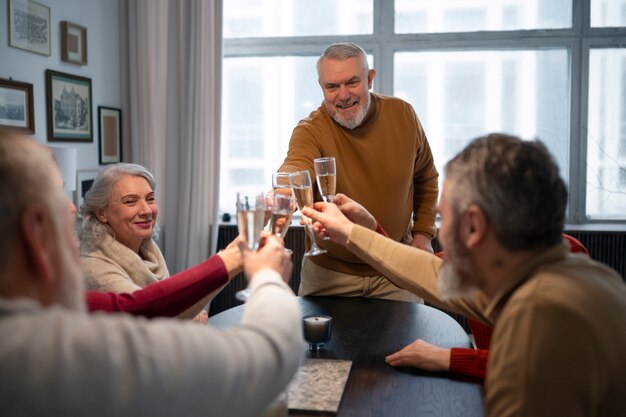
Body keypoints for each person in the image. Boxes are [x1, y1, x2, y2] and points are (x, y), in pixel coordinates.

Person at [302, 133, 626, 416]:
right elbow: (428, 272)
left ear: (473, 226)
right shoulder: (576, 277)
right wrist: (361, 230)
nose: (440, 232)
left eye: (443, 217)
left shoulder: (537, 318)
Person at [0, 129, 301, 417]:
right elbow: (264, 361)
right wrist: (268, 279)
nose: (71, 209)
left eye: (149, 198)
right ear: (35, 233)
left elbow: (135, 307)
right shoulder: (54, 353)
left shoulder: (145, 252)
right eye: (58, 198)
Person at [278, 42, 439, 302]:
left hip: (396, 267)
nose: (343, 95)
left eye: (352, 82)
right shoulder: (309, 129)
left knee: (408, 343)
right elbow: (296, 165)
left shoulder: (403, 115)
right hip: (328, 274)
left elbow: (426, 178)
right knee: (313, 344)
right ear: (322, 87)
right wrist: (281, 193)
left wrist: (423, 235)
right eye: (332, 86)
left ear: (370, 78)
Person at [79, 163, 218, 322]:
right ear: (102, 213)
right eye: (130, 201)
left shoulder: (148, 251)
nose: (146, 210)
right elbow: (151, 318)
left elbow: (170, 305)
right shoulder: (94, 268)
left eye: (150, 199)